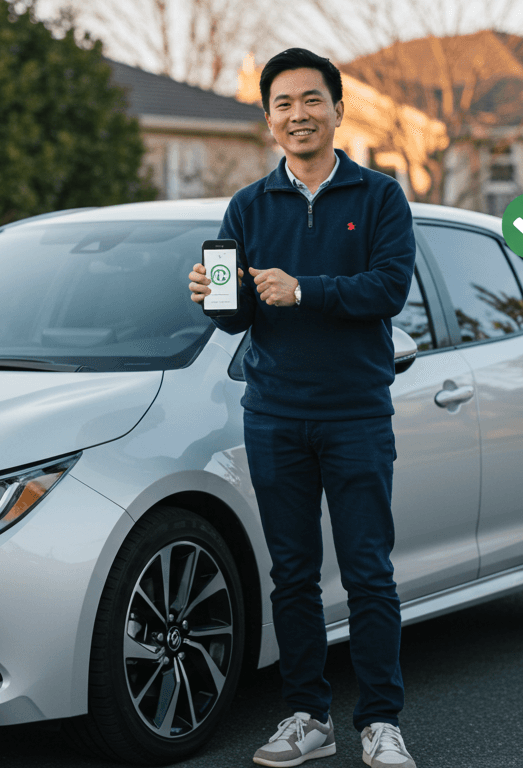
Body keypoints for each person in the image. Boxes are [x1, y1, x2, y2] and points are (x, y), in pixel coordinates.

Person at [187, 48, 417, 768]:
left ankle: (380, 723)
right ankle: (306, 718)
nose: (298, 115)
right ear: (268, 119)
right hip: (275, 415)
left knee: (368, 571)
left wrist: (306, 289)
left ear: (338, 110)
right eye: (283, 104)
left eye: (311, 100)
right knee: (292, 574)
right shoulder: (248, 207)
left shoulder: (379, 197)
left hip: (355, 413)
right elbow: (233, 319)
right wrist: (209, 295)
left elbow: (388, 290)